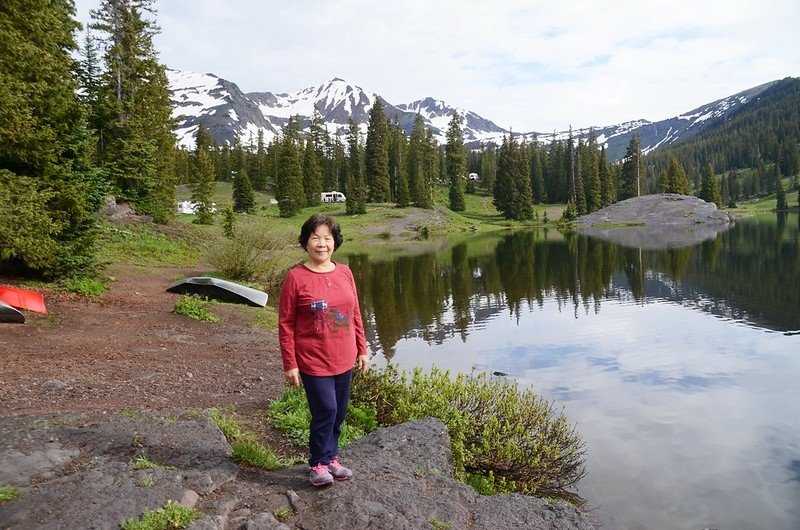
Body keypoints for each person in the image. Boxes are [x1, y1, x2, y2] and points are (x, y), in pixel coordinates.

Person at [278, 213, 370, 487]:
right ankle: (317, 462)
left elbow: (355, 313)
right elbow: (285, 323)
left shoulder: (345, 272)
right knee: (326, 410)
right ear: (306, 242)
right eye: (315, 238)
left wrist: (362, 349)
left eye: (327, 238)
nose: (321, 243)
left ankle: (332, 457)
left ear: (335, 242)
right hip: (313, 359)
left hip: (344, 357)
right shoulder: (296, 277)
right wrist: (290, 363)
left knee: (339, 412)